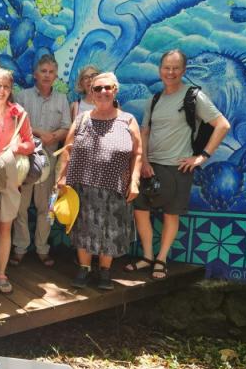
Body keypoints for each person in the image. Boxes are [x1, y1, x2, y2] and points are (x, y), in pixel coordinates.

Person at [131, 49, 230, 279]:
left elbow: (222, 125)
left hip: (178, 167)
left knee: (170, 214)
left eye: (176, 68)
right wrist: (143, 161)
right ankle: (147, 256)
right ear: (160, 70)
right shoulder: (154, 99)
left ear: (183, 70)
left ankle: (161, 259)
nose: (171, 72)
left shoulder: (194, 96)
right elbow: (145, 132)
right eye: (166, 67)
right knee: (140, 210)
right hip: (151, 166)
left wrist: (202, 157)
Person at [56, 72, 142, 290]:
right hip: (82, 185)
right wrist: (62, 177)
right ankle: (84, 268)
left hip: (115, 186)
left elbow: (137, 154)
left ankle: (104, 271)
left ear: (115, 90)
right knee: (83, 227)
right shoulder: (82, 119)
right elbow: (67, 151)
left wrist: (134, 181)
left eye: (107, 88)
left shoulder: (128, 120)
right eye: (97, 88)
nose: (103, 92)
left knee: (111, 228)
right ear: (91, 93)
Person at [0, 68, 35, 294]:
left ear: (10, 90)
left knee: (5, 227)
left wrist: (16, 147)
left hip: (11, 177)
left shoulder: (18, 113)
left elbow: (30, 144)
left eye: (6, 86)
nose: (2, 90)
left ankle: (1, 273)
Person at [12, 55, 70, 267]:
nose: (47, 75)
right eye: (43, 71)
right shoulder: (22, 97)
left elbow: (67, 127)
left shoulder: (62, 100)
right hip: (26, 162)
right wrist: (39, 132)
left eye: (51, 72)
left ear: (55, 76)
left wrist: (54, 137)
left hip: (51, 164)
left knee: (48, 208)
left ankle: (43, 248)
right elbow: (16, 124)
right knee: (20, 207)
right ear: (35, 74)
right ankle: (20, 247)